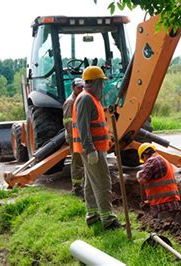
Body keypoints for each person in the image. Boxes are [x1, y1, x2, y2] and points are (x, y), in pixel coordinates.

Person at [72, 66, 123, 230]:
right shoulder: (86, 99)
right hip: (91, 150)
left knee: (90, 183)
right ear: (93, 83)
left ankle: (92, 215)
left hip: (94, 149)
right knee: (102, 182)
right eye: (101, 82)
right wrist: (90, 148)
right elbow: (83, 127)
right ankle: (108, 219)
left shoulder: (90, 99)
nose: (103, 86)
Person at [136, 143, 181, 220]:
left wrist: (138, 174)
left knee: (165, 229)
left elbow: (142, 180)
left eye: (143, 159)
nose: (144, 162)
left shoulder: (152, 161)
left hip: (163, 205)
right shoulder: (163, 160)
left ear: (144, 155)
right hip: (171, 203)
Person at [63, 78, 85, 197]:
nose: (81, 89)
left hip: (81, 137)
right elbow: (68, 123)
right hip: (75, 138)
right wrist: (75, 139)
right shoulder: (70, 102)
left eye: (82, 87)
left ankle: (83, 186)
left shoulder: (80, 99)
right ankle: (77, 188)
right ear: (73, 88)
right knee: (77, 162)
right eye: (79, 87)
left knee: (82, 162)